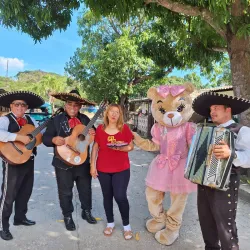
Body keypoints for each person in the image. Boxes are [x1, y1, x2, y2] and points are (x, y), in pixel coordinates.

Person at [192, 91, 250, 250]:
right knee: (206, 224)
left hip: (226, 186)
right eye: (211, 109)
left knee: (226, 228)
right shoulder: (206, 130)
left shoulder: (241, 131)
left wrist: (232, 154)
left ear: (228, 109)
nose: (212, 112)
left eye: (216, 108)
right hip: (203, 184)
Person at [42, 90, 97, 231]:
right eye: (70, 104)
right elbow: (46, 139)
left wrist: (93, 134)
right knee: (65, 191)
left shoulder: (86, 120)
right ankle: (67, 216)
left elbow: (93, 138)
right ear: (65, 105)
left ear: (80, 106)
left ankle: (87, 211)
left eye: (76, 105)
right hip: (62, 163)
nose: (73, 107)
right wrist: (54, 139)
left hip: (82, 162)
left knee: (85, 189)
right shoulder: (56, 120)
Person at [0, 91, 44, 240]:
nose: (20, 107)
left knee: (25, 191)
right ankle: (2, 226)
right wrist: (19, 137)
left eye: (23, 105)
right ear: (11, 106)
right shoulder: (5, 120)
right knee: (8, 195)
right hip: (12, 161)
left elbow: (39, 135)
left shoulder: (31, 119)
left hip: (28, 160)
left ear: (26, 107)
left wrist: (40, 135)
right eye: (17, 104)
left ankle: (20, 217)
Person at [90, 104, 134, 240]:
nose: (114, 114)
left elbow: (130, 146)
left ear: (120, 115)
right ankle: (110, 223)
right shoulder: (100, 129)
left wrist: (121, 148)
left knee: (120, 196)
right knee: (107, 196)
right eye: (112, 112)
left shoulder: (124, 128)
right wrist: (92, 166)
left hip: (121, 169)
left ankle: (127, 226)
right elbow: (95, 147)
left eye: (117, 112)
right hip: (103, 169)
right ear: (107, 114)